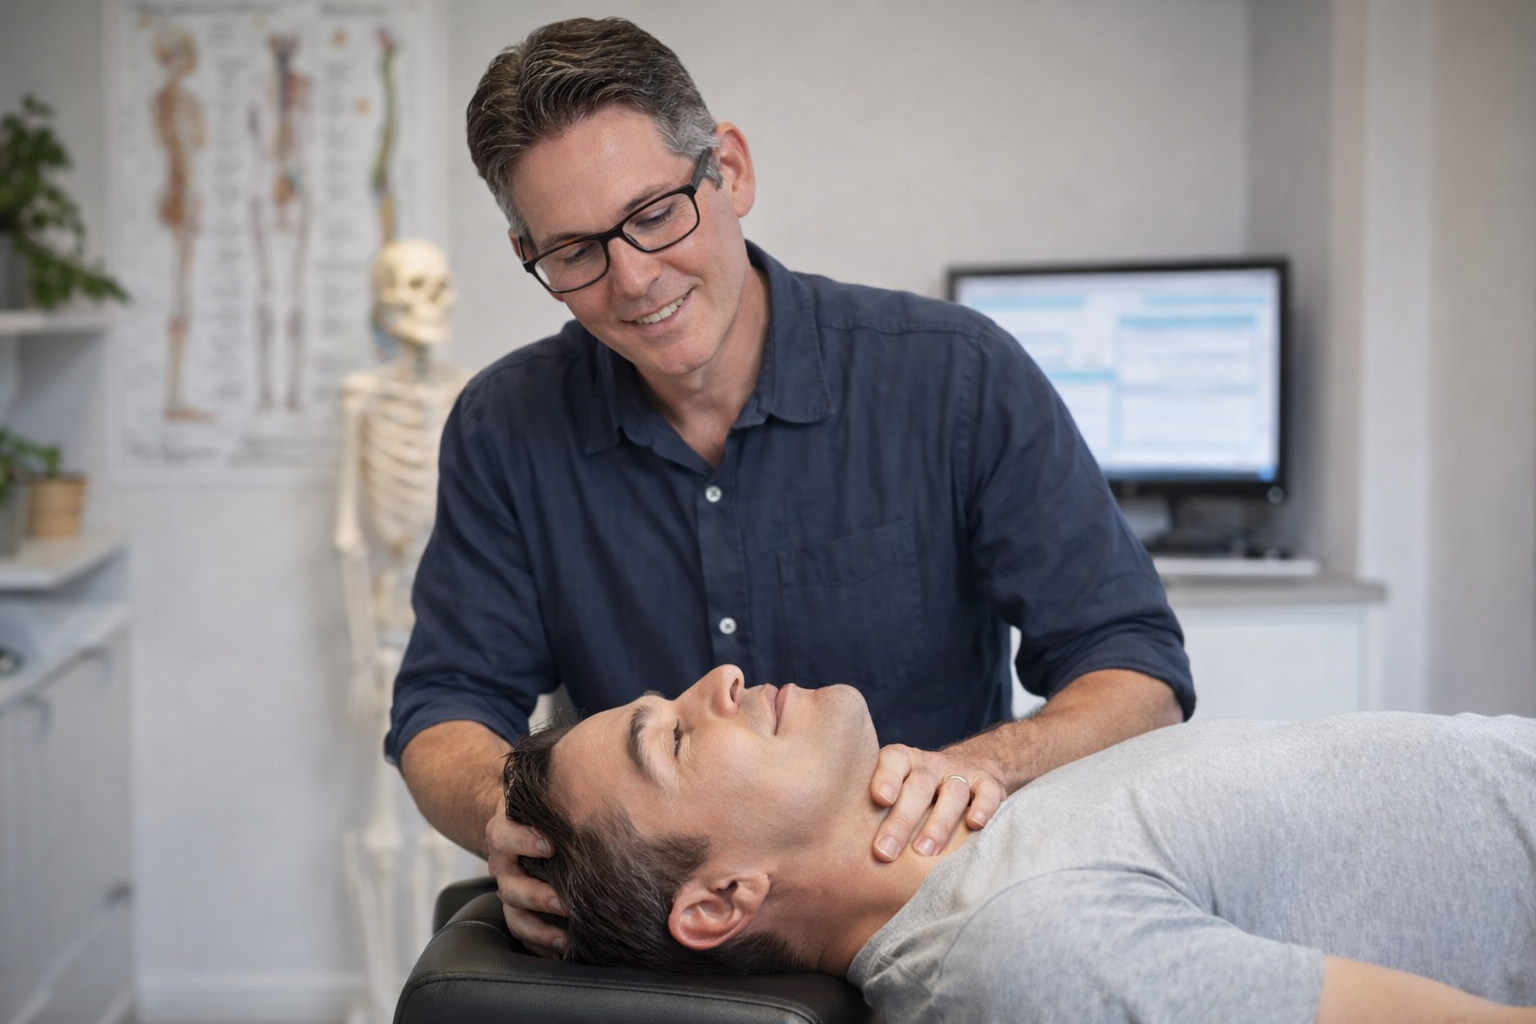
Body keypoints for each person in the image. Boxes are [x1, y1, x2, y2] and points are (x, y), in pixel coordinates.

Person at [388, 16, 1195, 956]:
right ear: (532, 254)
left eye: (655, 215)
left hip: (939, 912)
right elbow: (445, 706)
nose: (636, 279)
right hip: (678, 959)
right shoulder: (503, 426)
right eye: (575, 252)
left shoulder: (955, 375)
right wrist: (510, 820)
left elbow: (1136, 668)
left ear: (729, 169)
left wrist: (984, 767)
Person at [503, 664, 1536, 1023]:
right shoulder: (1024, 949)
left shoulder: (980, 840)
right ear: (722, 898)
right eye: (675, 736)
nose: (719, 678)